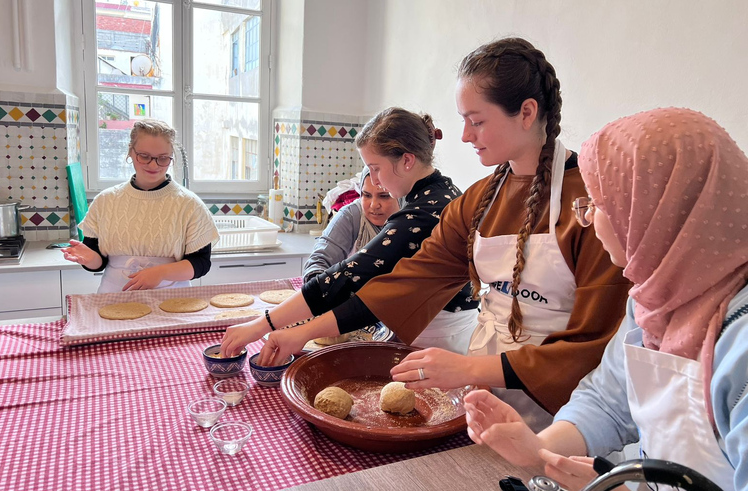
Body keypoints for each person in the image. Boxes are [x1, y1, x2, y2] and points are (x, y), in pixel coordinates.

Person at [234, 38, 632, 433]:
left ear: (527, 112)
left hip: (564, 416)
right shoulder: (479, 200)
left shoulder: (592, 205)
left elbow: (592, 343)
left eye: (476, 121)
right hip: (482, 399)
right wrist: (299, 332)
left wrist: (467, 367)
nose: (463, 136)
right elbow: (409, 281)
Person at [464, 108, 748, 491]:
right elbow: (608, 401)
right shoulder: (652, 301)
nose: (588, 220)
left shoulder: (740, 341)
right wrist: (539, 447)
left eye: (598, 204)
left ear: (658, 211)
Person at [220, 107, 479, 355]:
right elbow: (376, 294)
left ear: (407, 160)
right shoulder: (438, 193)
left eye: (376, 168)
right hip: (431, 328)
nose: (374, 179)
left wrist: (262, 325)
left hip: (442, 336)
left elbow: (349, 277)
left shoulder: (423, 213)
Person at [62, 120, 219, 293]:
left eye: (163, 158)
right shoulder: (105, 201)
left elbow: (201, 263)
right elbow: (99, 262)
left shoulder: (189, 205)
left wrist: (160, 272)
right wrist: (90, 259)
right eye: (144, 156)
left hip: (173, 299)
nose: (153, 165)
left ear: (171, 157)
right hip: (114, 295)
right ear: (130, 152)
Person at [303, 168, 400, 282]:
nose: (374, 205)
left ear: (400, 195)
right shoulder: (351, 216)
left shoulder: (413, 219)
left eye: (384, 196)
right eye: (366, 195)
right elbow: (319, 260)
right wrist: (317, 286)